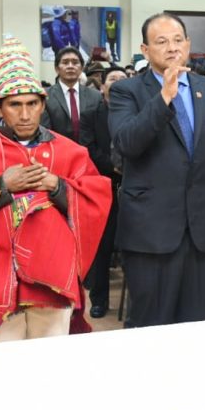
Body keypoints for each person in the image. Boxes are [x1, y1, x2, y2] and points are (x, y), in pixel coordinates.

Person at [0, 37, 112, 344]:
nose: (25, 115)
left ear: (43, 105)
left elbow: (97, 198)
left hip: (52, 277)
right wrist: (1, 185)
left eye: (32, 104)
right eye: (15, 105)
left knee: (49, 365)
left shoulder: (70, 152)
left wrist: (57, 186)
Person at [109, 13, 205, 328]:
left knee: (197, 325)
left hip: (204, 230)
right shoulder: (126, 91)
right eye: (161, 41)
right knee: (151, 326)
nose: (172, 48)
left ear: (188, 44)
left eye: (178, 40)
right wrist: (164, 96)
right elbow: (128, 143)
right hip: (150, 234)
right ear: (145, 49)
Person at [84, 66, 127, 318]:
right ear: (103, 86)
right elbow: (88, 148)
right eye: (113, 78)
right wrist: (116, 168)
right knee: (102, 247)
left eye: (123, 78)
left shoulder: (137, 111)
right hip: (104, 187)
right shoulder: (92, 114)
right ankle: (99, 299)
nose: (118, 82)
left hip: (133, 187)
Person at [41, 46, 104, 147]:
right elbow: (45, 132)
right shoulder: (45, 96)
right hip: (58, 153)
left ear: (81, 68)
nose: (70, 66)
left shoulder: (96, 96)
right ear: (57, 69)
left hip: (91, 156)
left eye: (75, 62)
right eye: (65, 62)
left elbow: (100, 131)